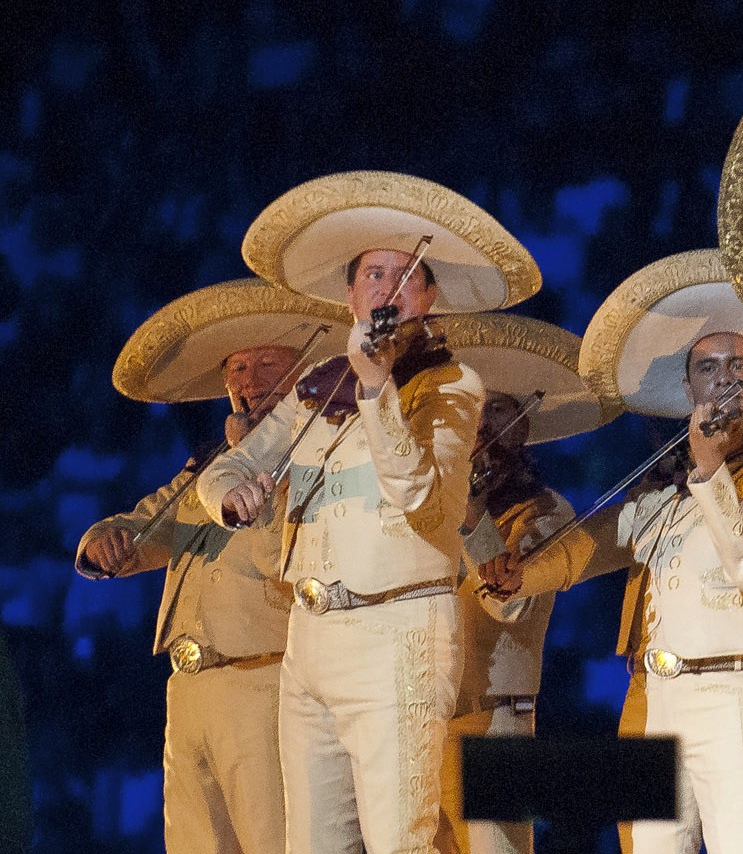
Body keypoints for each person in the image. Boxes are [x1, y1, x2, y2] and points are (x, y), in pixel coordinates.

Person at [198, 171, 540, 854]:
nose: (387, 288)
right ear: (350, 294)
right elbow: (229, 467)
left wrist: (378, 385)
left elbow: (421, 497)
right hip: (311, 636)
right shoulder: (317, 386)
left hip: (399, 633)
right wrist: (231, 498)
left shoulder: (451, 386)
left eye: (404, 276)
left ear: (428, 297)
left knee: (399, 841)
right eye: (373, 275)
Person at [488, 249, 743, 854]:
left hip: (735, 695)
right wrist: (523, 575)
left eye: (740, 365)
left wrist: (708, 465)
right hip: (652, 698)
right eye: (708, 368)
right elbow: (591, 543)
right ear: (688, 388)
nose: (724, 378)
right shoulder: (668, 496)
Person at [75, 278, 349, 854]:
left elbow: (297, 560)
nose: (247, 381)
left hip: (266, 680)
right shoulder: (208, 467)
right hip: (189, 689)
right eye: (237, 369)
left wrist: (264, 465)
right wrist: (105, 539)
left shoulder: (323, 455)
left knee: (275, 841)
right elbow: (147, 523)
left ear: (303, 372)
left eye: (264, 364)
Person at [434, 312, 615, 854]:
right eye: (474, 409)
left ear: (525, 428)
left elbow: (508, 604)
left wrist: (472, 516)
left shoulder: (544, 508)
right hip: (431, 714)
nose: (483, 424)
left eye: (498, 411)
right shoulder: (438, 507)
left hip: (498, 718)